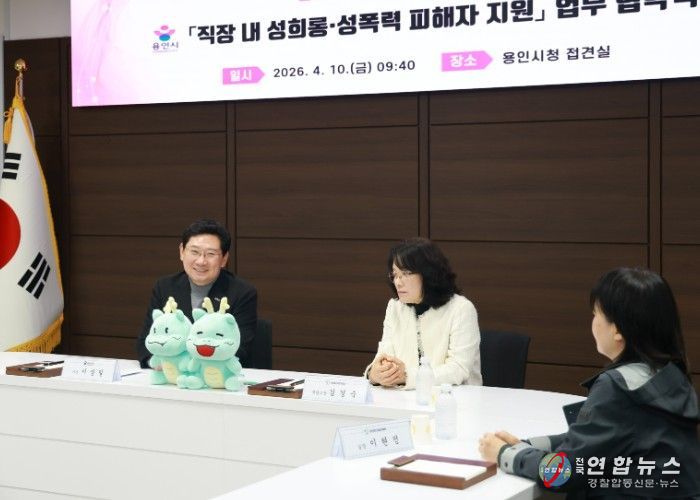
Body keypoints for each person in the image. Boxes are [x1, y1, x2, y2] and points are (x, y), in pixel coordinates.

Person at [479, 268, 700, 498]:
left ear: (617, 330)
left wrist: (505, 454)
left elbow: (563, 473)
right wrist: (527, 444)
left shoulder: (618, 387)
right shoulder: (670, 375)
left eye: (596, 314)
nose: (593, 322)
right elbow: (592, 442)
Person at [137, 219, 257, 368]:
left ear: (224, 259)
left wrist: (188, 366)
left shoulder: (242, 293)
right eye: (194, 252)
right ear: (182, 252)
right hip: (168, 374)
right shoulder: (165, 287)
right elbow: (146, 342)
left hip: (215, 375)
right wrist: (158, 364)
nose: (201, 261)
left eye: (211, 254)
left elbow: (239, 349)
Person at [365, 237, 482, 389]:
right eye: (395, 274)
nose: (398, 282)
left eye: (406, 273)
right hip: (405, 398)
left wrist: (407, 376)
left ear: (428, 274)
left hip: (453, 398)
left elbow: (458, 369)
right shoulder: (395, 307)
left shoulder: (461, 309)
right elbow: (384, 356)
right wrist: (375, 374)